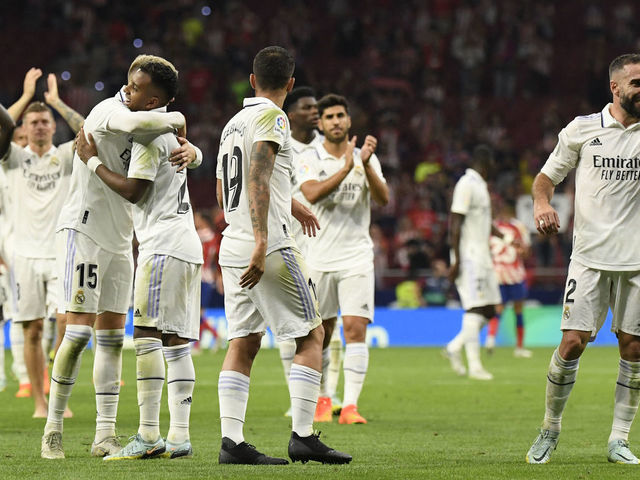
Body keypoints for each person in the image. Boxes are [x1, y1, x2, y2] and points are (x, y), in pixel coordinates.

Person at [41, 54, 198, 460]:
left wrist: (191, 150)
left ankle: (104, 435)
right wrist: (178, 120)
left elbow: (158, 141)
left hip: (123, 240)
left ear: (154, 100)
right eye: (129, 82)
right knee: (76, 334)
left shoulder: (152, 129)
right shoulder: (110, 110)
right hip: (84, 230)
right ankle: (53, 429)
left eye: (138, 87)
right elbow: (134, 124)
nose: (128, 89)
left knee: (112, 340)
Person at [215, 45, 351, 465]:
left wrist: (290, 204)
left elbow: (226, 189)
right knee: (312, 335)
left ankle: (232, 443)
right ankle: (304, 435)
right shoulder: (274, 117)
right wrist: (262, 237)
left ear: (252, 80)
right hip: (267, 244)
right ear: (290, 85)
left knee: (244, 341)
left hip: (231, 243)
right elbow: (257, 172)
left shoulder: (232, 123)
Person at [526, 53, 640, 465]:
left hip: (637, 261)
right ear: (615, 87)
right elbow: (545, 178)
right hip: (590, 258)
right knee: (573, 343)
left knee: (634, 348)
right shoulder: (582, 129)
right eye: (637, 83)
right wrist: (542, 204)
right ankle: (549, 429)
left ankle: (619, 440)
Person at [296, 93, 390, 424]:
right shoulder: (309, 155)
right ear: (320, 123)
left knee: (355, 328)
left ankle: (349, 406)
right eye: (329, 116)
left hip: (356, 257)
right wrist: (347, 167)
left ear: (349, 120)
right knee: (319, 332)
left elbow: (383, 199)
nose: (336, 121)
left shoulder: (366, 158)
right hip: (318, 257)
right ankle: (323, 398)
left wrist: (363, 164)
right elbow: (310, 193)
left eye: (341, 115)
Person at [0, 66, 85, 418]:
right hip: (22, 256)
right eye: (32, 122)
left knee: (67, 321)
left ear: (52, 127)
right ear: (23, 129)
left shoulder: (64, 157)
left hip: (60, 253)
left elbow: (88, 132)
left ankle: (58, 394)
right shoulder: (13, 159)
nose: (38, 126)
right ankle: (40, 401)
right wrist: (24, 98)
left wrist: (56, 102)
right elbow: (2, 125)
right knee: (32, 329)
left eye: (44, 121)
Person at [277, 86, 324, 418]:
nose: (315, 112)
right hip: (293, 244)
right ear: (291, 114)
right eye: (307, 107)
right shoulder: (282, 147)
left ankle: (327, 396)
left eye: (316, 107)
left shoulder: (325, 148)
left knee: (325, 326)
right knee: (296, 326)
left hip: (324, 246)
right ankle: (299, 401)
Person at [443, 145, 504, 381]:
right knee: (475, 307)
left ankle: (454, 347)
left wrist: (506, 237)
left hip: (482, 255)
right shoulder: (466, 184)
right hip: (468, 256)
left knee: (490, 308)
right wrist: (456, 259)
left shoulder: (480, 186)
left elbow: (484, 222)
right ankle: (475, 366)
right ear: (486, 162)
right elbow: (455, 222)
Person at [487, 200, 533, 358]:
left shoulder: (492, 226)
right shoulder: (518, 226)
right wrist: (520, 251)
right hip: (514, 273)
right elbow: (526, 251)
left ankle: (490, 339)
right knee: (518, 310)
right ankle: (519, 348)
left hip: (496, 273)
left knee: (498, 308)